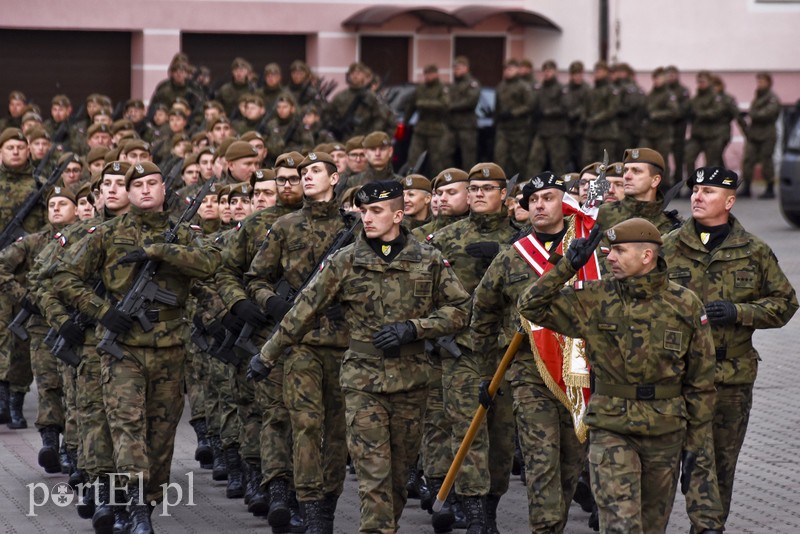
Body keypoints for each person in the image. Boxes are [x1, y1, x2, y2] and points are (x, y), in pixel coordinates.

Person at [250, 179, 471, 534]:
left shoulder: (428, 258)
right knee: (374, 475)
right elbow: (303, 311)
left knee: (399, 477)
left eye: (376, 211)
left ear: (398, 215)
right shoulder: (345, 260)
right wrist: (267, 356)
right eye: (363, 210)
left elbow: (460, 310)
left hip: (412, 380)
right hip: (362, 381)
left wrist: (416, 328)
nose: (366, 218)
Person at [518, 218, 718, 533]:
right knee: (621, 526)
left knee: (652, 526)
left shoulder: (685, 304)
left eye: (619, 251)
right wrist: (566, 266)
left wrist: (696, 446)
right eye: (609, 250)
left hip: (665, 430)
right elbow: (530, 305)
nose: (609, 257)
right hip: (612, 427)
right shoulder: (594, 297)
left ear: (647, 256)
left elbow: (702, 381)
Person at [53, 161, 220, 533]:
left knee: (160, 438)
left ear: (164, 190)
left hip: (171, 348)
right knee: (126, 428)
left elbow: (211, 263)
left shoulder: (184, 235)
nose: (145, 190)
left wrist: (161, 251)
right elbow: (63, 275)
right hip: (124, 350)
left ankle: (144, 501)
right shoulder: (107, 235)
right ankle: (135, 507)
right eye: (138, 185)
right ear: (128, 194)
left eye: (152, 183)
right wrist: (102, 312)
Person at [662, 166, 798, 531]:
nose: (697, 197)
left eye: (708, 191)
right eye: (695, 190)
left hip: (731, 378)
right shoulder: (669, 247)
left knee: (720, 462)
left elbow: (784, 303)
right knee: (679, 459)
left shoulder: (753, 250)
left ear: (730, 200)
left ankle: (708, 526)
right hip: (677, 377)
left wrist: (739, 312)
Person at [472, 171, 589, 533]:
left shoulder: (588, 252)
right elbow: (483, 312)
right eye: (533, 200)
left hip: (579, 369)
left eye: (548, 198)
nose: (539, 205)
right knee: (541, 460)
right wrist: (484, 371)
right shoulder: (513, 257)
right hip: (527, 371)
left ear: (564, 203)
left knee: (571, 461)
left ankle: (555, 521)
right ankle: (545, 528)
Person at [242, 151, 349, 531]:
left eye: (315, 171)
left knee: (338, 431)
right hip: (300, 345)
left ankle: (329, 502)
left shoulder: (355, 226)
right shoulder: (285, 226)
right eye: (303, 172)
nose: (306, 177)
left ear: (335, 178)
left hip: (344, 344)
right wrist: (272, 303)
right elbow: (255, 278)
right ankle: (308, 507)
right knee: (305, 426)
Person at [425, 163, 517, 533]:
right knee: (468, 430)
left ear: (503, 195)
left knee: (502, 437)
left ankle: (491, 504)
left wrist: (503, 250)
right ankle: (475, 511)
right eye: (474, 188)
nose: (479, 194)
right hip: (462, 350)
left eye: (487, 188)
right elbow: (423, 286)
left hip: (507, 351)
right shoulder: (446, 238)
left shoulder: (522, 240)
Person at [596, 147, 681, 235]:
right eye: (625, 171)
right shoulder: (601, 214)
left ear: (655, 180)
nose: (627, 176)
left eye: (636, 171)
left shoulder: (672, 225)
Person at [740, 72, 782, 199]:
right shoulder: (758, 97)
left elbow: (767, 114)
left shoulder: (772, 98)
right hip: (754, 134)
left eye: (762, 81)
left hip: (767, 134)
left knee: (766, 161)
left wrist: (752, 113)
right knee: (748, 160)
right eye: (758, 81)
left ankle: (769, 187)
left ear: (768, 83)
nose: (759, 84)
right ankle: (746, 186)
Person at [405, 64, 449, 175]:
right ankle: (411, 182)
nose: (427, 77)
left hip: (436, 130)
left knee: (437, 161)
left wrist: (424, 104)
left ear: (436, 74)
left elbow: (445, 105)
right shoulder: (420, 88)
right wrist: (405, 122)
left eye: (430, 74)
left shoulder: (442, 88)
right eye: (426, 74)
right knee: (413, 159)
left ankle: (438, 185)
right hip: (420, 129)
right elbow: (411, 106)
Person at [528, 60, 569, 177]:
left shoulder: (561, 89)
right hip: (541, 131)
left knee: (558, 163)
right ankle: (531, 188)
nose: (547, 73)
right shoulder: (539, 88)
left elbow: (565, 108)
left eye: (550, 71)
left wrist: (547, 112)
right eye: (545, 71)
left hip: (557, 132)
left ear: (555, 72)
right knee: (534, 160)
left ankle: (561, 189)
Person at [494, 59, 534, 177]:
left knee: (518, 161)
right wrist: (495, 118)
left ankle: (519, 188)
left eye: (510, 69)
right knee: (500, 158)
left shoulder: (523, 86)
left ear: (517, 70)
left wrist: (513, 113)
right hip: (503, 129)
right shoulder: (501, 86)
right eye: (506, 69)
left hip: (519, 129)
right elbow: (497, 106)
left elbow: (529, 105)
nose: (507, 72)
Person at [684, 71, 727, 177]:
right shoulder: (696, 98)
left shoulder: (716, 97)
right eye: (699, 82)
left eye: (703, 81)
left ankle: (709, 187)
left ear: (709, 82)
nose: (701, 84)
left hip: (711, 136)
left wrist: (700, 113)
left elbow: (716, 112)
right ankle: (692, 184)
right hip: (697, 136)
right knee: (688, 158)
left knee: (711, 165)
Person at [446, 56, 481, 170]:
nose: (456, 71)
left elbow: (470, 102)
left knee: (468, 158)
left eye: (459, 68)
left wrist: (451, 106)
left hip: (467, 127)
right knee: (447, 155)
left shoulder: (472, 83)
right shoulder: (453, 85)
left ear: (466, 68)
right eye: (455, 68)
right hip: (452, 126)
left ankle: (469, 184)